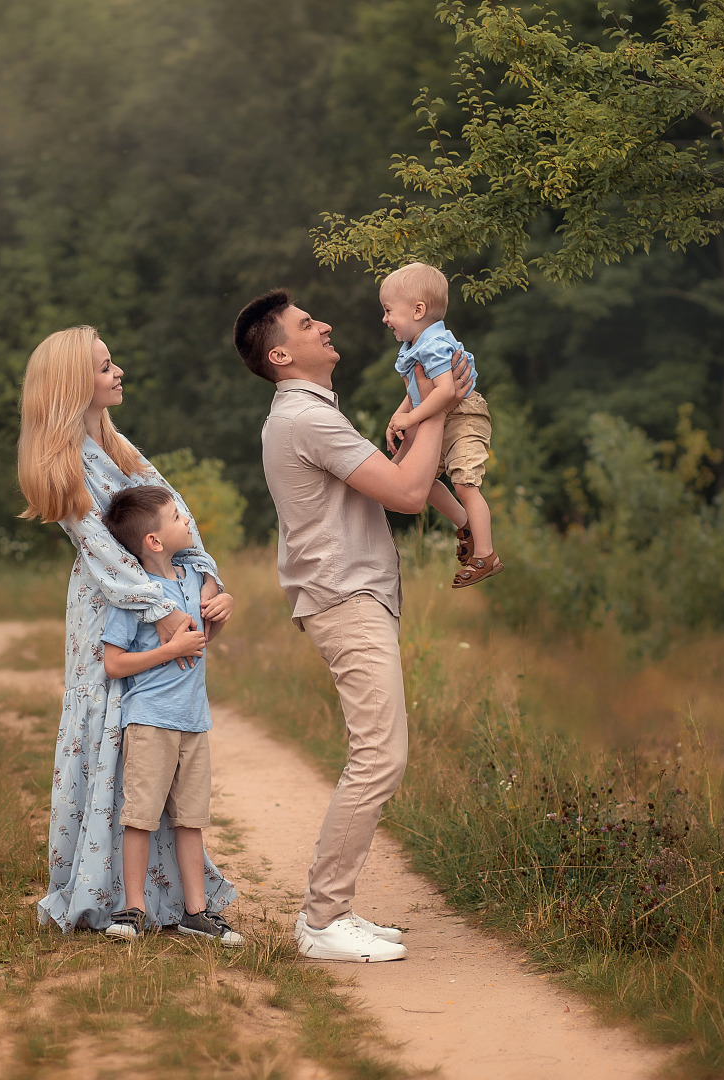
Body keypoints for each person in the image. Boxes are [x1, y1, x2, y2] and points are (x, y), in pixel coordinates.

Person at [232, 288, 470, 963]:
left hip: (349, 597)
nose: (325, 325)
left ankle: (332, 911)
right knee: (379, 757)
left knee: (377, 754)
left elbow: (405, 485)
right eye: (308, 325)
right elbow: (404, 494)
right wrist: (438, 407)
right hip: (345, 599)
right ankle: (322, 918)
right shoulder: (307, 420)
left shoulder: (310, 415)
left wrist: (423, 410)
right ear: (280, 354)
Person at [18, 325, 238, 934]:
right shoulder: (64, 460)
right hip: (113, 606)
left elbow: (177, 515)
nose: (118, 374)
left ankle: (166, 896)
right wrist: (163, 612)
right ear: (70, 385)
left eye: (114, 363)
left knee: (159, 732)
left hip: (165, 591)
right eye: (104, 367)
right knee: (113, 727)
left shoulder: (119, 448)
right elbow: (102, 551)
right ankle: (111, 891)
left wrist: (205, 581)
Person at [97, 485, 242, 945]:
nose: (188, 522)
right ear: (154, 541)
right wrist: (171, 649)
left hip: (193, 720)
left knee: (190, 819)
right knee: (140, 816)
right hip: (150, 719)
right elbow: (114, 663)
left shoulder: (193, 577)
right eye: (178, 517)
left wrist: (222, 610)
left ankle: (196, 912)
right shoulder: (138, 595)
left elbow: (196, 648)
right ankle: (133, 908)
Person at [380, 262, 502, 587]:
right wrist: (399, 415)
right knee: (421, 479)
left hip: (463, 415)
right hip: (442, 415)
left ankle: (486, 555)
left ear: (418, 310)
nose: (385, 318)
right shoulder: (415, 346)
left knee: (465, 483)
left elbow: (447, 391)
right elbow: (419, 390)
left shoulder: (433, 346)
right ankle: (465, 526)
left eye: (389, 310)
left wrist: (411, 418)